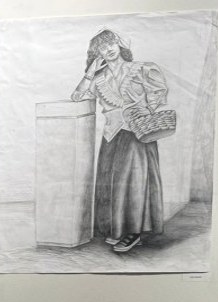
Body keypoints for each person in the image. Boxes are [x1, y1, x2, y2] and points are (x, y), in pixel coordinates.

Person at [71, 29, 169, 253]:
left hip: (137, 132)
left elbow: (159, 94)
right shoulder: (99, 79)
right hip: (111, 135)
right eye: (102, 47)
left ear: (120, 44)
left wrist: (146, 109)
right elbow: (77, 97)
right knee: (111, 183)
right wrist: (90, 73)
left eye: (111, 43)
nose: (109, 49)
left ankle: (133, 232)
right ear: (97, 54)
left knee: (133, 182)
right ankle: (117, 230)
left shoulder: (143, 68)